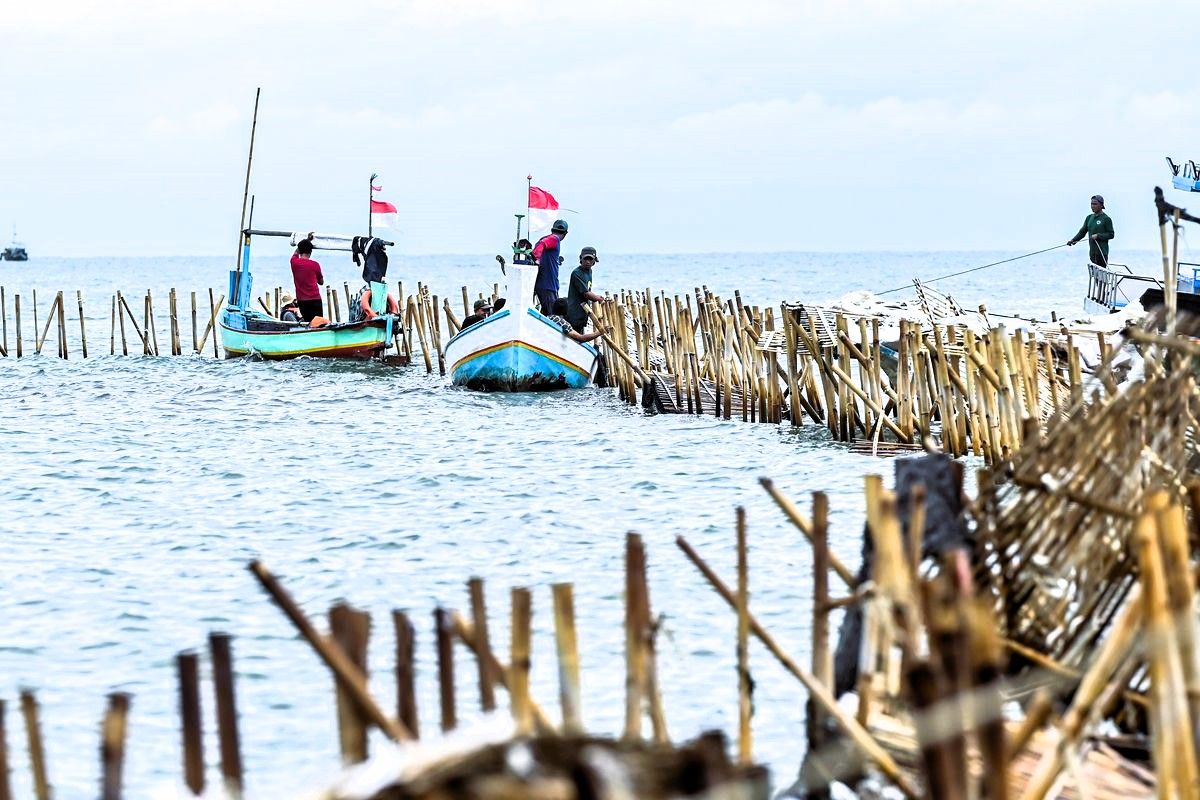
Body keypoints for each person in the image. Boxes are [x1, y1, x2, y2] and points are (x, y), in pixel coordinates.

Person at [566, 246, 611, 334]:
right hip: (574, 312)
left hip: (583, 312)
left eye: (590, 259)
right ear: (580, 258)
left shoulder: (589, 271)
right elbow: (586, 294)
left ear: (594, 261)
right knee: (575, 335)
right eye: (585, 259)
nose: (588, 262)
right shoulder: (577, 273)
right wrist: (599, 298)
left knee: (580, 333)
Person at [1067, 195, 1115, 268]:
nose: (1092, 206)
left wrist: (1098, 236)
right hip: (1092, 253)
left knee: (1101, 277)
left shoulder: (1106, 219)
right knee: (1095, 277)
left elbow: (1111, 234)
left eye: (1095, 204)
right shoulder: (1089, 218)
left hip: (1102, 253)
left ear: (1101, 205)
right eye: (1091, 204)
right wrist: (1073, 240)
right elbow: (1082, 232)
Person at [532, 219, 568, 314]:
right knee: (552, 315)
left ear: (552, 229)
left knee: (546, 314)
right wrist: (537, 259)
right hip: (548, 285)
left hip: (544, 285)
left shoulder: (546, 238)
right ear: (565, 234)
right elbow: (541, 245)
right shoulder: (554, 239)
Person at [290, 234, 325, 320]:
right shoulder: (315, 265)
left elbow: (296, 251)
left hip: (302, 301)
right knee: (319, 324)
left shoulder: (293, 262)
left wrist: (306, 240)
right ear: (311, 252)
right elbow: (321, 282)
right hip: (315, 299)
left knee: (308, 323)